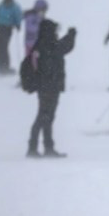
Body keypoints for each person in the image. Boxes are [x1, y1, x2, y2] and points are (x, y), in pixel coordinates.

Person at [27, 20, 76, 158]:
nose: (56, 32)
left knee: (46, 117)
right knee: (44, 117)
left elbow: (62, 47)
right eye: (54, 30)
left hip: (46, 86)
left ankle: (43, 147)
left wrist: (70, 36)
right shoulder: (48, 44)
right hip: (50, 87)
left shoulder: (42, 44)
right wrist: (71, 35)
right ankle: (36, 148)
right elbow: (64, 47)